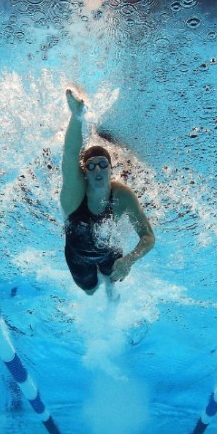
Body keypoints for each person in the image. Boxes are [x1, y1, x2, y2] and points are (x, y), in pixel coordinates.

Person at [60, 89, 155, 297]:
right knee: (91, 291)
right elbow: (69, 156)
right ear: (84, 173)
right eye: (91, 166)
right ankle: (97, 287)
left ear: (111, 169)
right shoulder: (75, 197)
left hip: (108, 252)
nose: (97, 170)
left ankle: (111, 297)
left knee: (113, 283)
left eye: (102, 164)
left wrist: (129, 260)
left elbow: (148, 236)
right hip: (78, 256)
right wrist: (76, 117)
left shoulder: (123, 196)